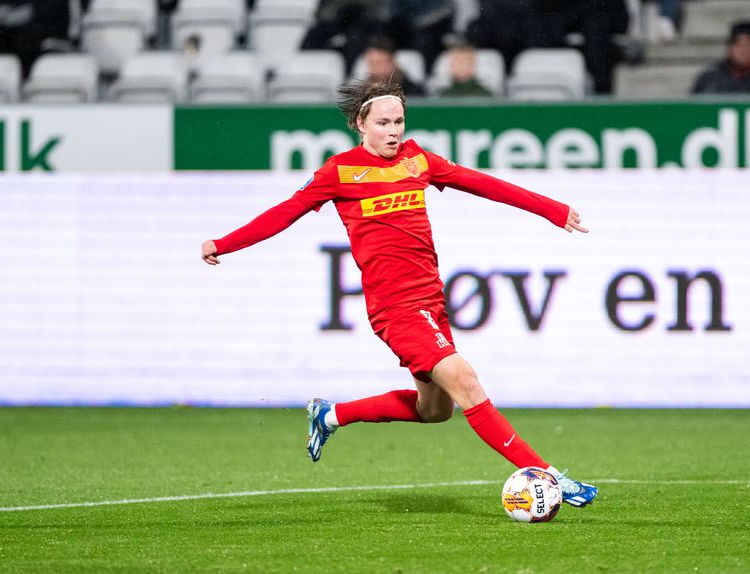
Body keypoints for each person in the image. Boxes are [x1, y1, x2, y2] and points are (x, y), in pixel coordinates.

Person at [200, 80, 598, 508]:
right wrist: (224, 243)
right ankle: (551, 477)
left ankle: (331, 414)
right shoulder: (340, 172)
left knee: (436, 411)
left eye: (399, 121)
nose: (393, 131)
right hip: (395, 308)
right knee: (466, 382)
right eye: (383, 123)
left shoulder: (417, 160)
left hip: (432, 302)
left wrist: (552, 209)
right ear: (361, 124)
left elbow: (483, 184)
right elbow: (283, 213)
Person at [358, 36, 426, 97]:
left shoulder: (414, 92)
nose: (376, 68)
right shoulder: (360, 92)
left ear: (393, 62)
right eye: (372, 63)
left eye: (380, 63)